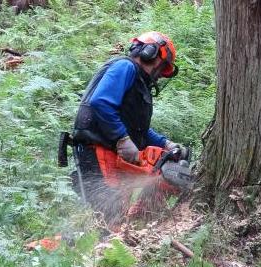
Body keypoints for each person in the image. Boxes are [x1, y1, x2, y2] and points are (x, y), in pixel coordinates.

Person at [69, 31, 187, 225]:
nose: (159, 74)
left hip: (110, 152)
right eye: (162, 67)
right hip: (99, 151)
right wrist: (122, 139)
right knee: (105, 220)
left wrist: (165, 143)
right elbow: (101, 102)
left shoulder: (136, 79)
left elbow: (138, 129)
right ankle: (51, 249)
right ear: (151, 52)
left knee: (113, 217)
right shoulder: (126, 67)